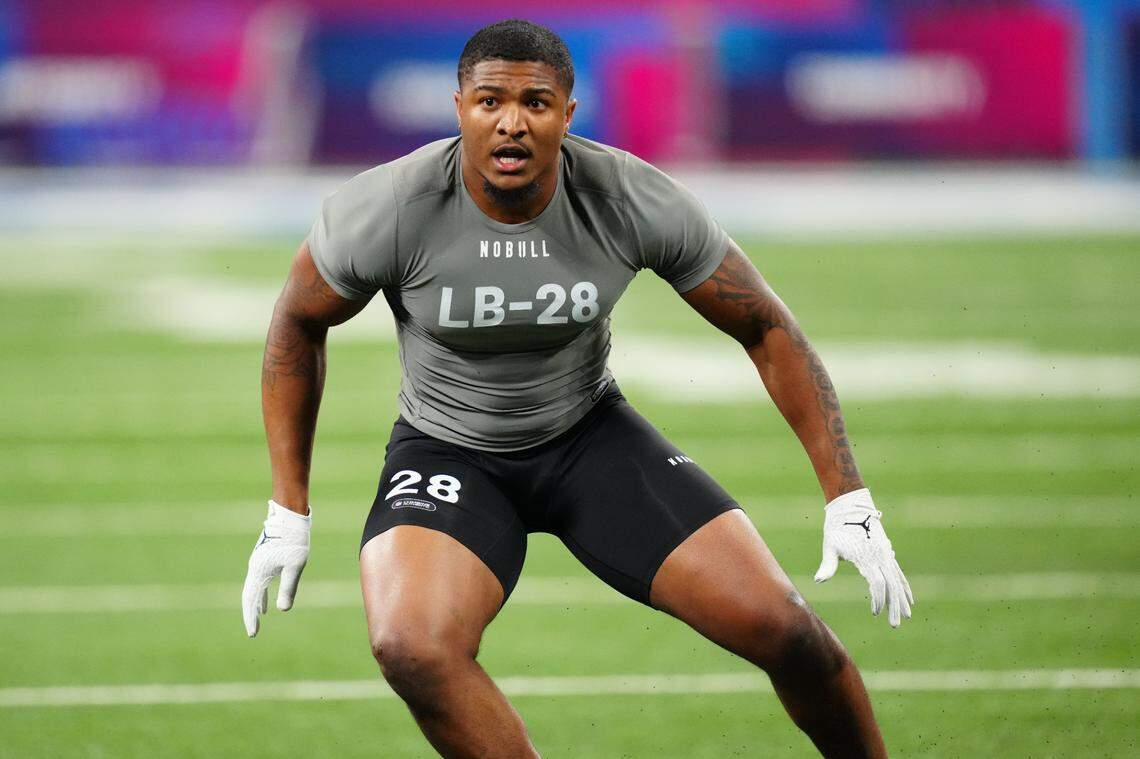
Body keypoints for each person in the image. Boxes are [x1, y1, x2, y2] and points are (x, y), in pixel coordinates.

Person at [242, 19, 912, 758]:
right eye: (490, 100)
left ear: (568, 112)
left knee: (789, 632)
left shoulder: (628, 195)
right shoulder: (390, 207)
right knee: (411, 645)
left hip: (590, 437)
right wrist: (287, 507)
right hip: (449, 451)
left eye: (535, 102)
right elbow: (296, 323)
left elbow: (766, 327)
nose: (511, 121)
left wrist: (847, 495)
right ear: (458, 106)